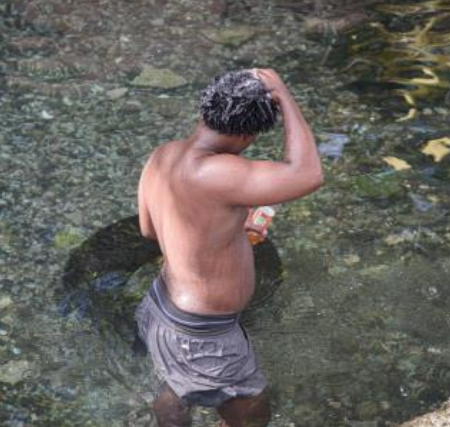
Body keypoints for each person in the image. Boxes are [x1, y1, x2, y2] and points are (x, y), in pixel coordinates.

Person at [135, 68, 323, 427]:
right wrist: (283, 94)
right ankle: (173, 403)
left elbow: (148, 230)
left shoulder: (163, 155)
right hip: (203, 335)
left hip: (162, 309)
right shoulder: (218, 172)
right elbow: (309, 173)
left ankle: (170, 402)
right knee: (253, 414)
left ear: (205, 109)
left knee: (179, 385)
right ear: (249, 134)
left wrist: (228, 228)